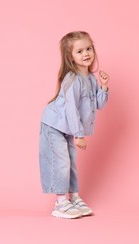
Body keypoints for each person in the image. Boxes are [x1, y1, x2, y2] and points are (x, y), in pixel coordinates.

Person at [39, 31, 110, 219]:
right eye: (79, 51)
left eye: (88, 48)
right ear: (70, 57)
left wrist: (103, 86)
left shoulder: (90, 78)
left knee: (70, 162)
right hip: (54, 126)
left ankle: (74, 197)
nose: (86, 53)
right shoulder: (72, 79)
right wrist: (79, 135)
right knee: (61, 162)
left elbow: (98, 105)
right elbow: (71, 110)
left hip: (67, 127)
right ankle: (61, 202)